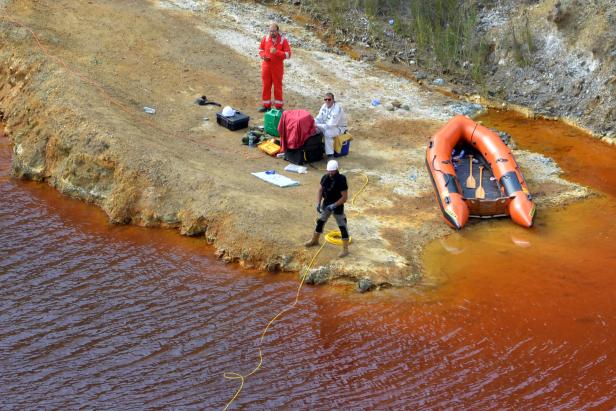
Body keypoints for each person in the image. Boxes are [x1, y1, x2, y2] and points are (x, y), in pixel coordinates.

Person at [304, 159, 350, 258]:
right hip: (326, 204)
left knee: (342, 226)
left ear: (336, 169)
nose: (330, 173)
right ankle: (315, 240)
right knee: (320, 221)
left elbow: (344, 197)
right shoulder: (325, 177)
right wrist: (318, 203)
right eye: (329, 171)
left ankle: (345, 249)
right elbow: (320, 190)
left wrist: (334, 205)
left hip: (337, 205)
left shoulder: (341, 179)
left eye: (332, 171)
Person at [258, 22, 291, 112]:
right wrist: (263, 56)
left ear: (278, 31)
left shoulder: (283, 41)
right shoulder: (265, 38)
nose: (272, 33)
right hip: (266, 66)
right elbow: (260, 49)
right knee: (266, 86)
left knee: (277, 86)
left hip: (277, 68)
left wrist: (276, 52)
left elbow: (288, 55)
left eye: (274, 31)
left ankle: (279, 107)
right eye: (270, 31)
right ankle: (266, 106)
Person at [314, 92, 347, 158]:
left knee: (328, 132)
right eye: (325, 99)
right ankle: (316, 149)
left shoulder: (337, 109)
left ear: (333, 100)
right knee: (313, 130)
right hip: (325, 125)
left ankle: (330, 154)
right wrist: (312, 123)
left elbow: (330, 125)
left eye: (329, 99)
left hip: (338, 128)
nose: (327, 101)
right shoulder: (324, 106)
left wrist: (316, 125)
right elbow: (318, 118)